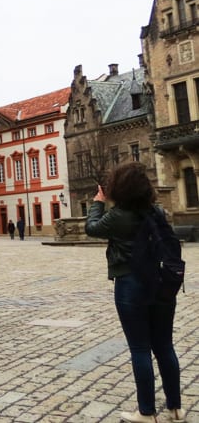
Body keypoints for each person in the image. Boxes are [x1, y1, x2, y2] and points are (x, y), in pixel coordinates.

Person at [85, 162, 184, 423]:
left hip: (131, 283)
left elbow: (91, 228)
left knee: (140, 348)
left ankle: (146, 412)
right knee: (164, 346)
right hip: (162, 283)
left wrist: (98, 201)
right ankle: (176, 408)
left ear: (120, 188)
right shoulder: (157, 211)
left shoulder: (119, 215)